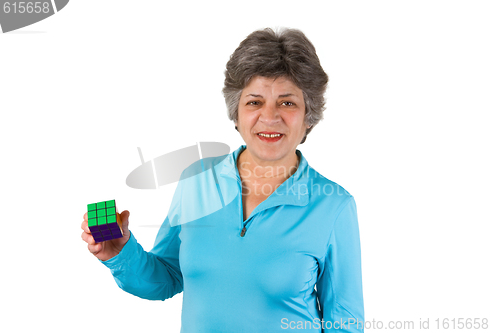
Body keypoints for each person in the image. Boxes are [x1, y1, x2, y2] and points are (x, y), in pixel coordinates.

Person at [81, 27, 365, 332]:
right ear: (237, 114)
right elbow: (166, 278)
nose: (270, 117)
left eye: (287, 102)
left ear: (309, 116)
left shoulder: (333, 205)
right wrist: (121, 252)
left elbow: (346, 324)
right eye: (254, 102)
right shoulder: (196, 182)